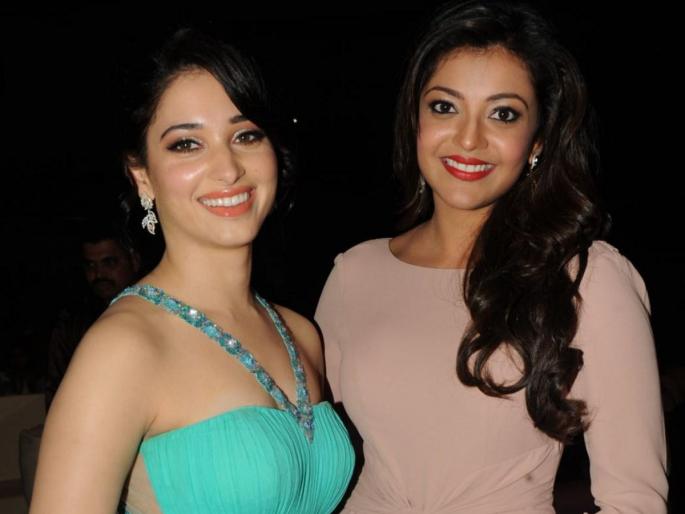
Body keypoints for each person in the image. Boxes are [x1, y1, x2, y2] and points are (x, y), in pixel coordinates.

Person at [315, 2, 667, 513]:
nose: (468, 138)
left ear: (537, 141)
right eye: (444, 107)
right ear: (414, 118)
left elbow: (635, 501)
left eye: (503, 113)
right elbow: (318, 465)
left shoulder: (585, 278)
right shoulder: (356, 272)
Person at [31, 30, 354, 514]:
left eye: (246, 135)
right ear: (142, 175)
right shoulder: (123, 349)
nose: (227, 168)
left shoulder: (301, 334)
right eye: (186, 144)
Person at [45, 220, 141, 410]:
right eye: (90, 265)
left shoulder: (156, 311)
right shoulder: (72, 323)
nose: (98, 274)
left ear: (134, 261)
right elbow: (57, 393)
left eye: (109, 262)